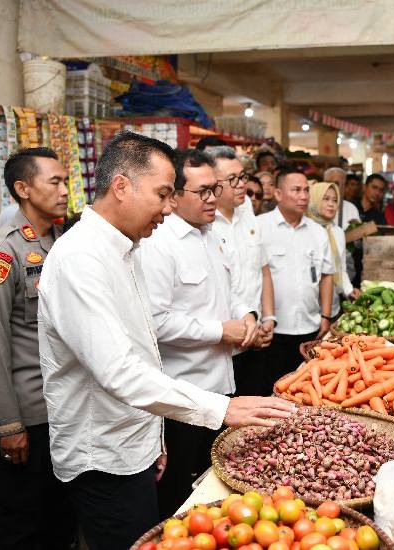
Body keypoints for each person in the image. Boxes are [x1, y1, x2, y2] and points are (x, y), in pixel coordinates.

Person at [37, 132, 294, 549]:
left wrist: (153, 437)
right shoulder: (80, 260)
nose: (170, 207)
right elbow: (118, 371)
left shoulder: (129, 247)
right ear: (121, 186)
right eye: (162, 194)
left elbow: (144, 349)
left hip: (134, 442)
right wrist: (221, 408)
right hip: (103, 457)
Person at [0, 148, 76, 550]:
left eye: (66, 180)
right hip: (31, 416)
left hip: (68, 410)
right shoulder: (0, 256)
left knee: (63, 520)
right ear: (23, 189)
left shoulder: (63, 241)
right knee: (27, 524)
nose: (65, 190)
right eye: (54, 182)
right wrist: (7, 425)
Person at [138, 149, 259, 518]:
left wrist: (246, 314)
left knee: (216, 485)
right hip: (183, 394)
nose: (213, 199)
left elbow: (228, 290)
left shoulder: (211, 234)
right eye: (203, 191)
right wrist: (219, 330)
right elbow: (155, 320)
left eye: (215, 188)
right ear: (174, 195)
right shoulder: (159, 245)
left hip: (222, 386)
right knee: (179, 492)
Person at [205, 146, 276, 398]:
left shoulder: (246, 207)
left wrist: (268, 318)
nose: (241, 185)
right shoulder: (205, 223)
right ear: (212, 182)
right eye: (232, 179)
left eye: (243, 176)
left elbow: (263, 268)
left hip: (258, 337)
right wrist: (247, 330)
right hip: (225, 347)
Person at [258, 170, 334, 391]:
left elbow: (326, 275)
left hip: (310, 327)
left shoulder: (318, 232)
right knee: (272, 388)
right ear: (278, 194)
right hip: (272, 330)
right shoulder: (259, 227)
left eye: (306, 190)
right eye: (296, 190)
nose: (304, 196)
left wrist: (326, 315)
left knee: (306, 390)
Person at [308, 181, 358, 319]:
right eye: (325, 199)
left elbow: (340, 268)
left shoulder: (337, 232)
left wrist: (349, 291)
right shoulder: (305, 230)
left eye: (335, 200)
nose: (331, 204)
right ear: (314, 199)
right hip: (309, 308)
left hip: (333, 306)